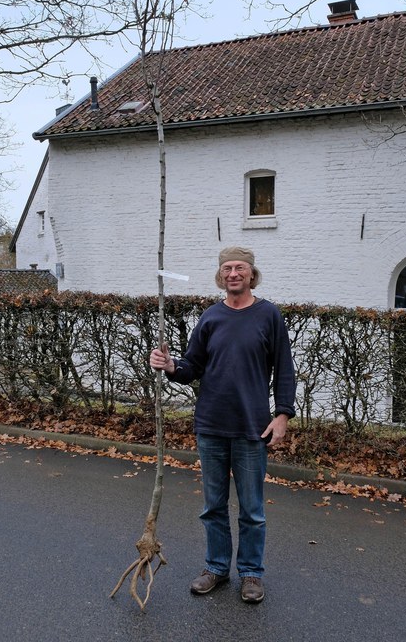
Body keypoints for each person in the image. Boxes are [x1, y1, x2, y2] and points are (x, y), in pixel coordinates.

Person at [150, 246, 296, 604]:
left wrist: (282, 415)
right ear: (221, 275)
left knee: (252, 510)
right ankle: (216, 567)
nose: (233, 273)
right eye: (227, 268)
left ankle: (251, 573)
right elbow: (191, 367)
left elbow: (284, 369)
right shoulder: (211, 317)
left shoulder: (269, 315)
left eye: (240, 268)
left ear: (251, 273)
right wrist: (170, 366)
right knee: (213, 506)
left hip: (252, 428)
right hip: (212, 426)